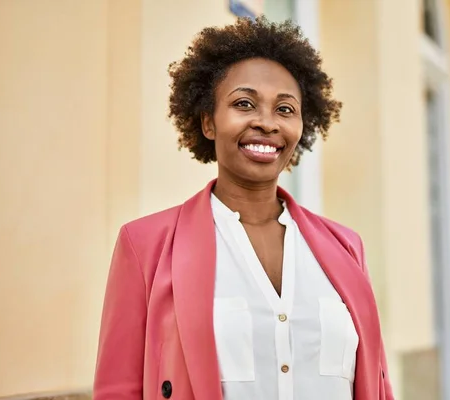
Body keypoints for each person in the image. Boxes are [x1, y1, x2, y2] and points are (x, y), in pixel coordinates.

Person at [93, 16, 394, 400]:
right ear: (208, 122)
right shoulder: (145, 245)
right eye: (244, 103)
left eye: (285, 109)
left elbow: (377, 383)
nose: (267, 123)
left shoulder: (347, 247)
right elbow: (118, 390)